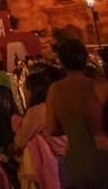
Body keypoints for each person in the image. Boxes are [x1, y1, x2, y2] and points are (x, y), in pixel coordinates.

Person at [45, 38, 108, 188]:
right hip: (102, 153)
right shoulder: (99, 86)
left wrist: (71, 124)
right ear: (85, 58)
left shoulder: (55, 90)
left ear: (61, 62)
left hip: (75, 158)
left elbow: (52, 128)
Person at [13, 72, 66, 189]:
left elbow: (20, 141)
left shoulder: (37, 111)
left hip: (55, 162)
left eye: (26, 89)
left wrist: (17, 124)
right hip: (70, 157)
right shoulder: (56, 104)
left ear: (33, 91)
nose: (25, 92)